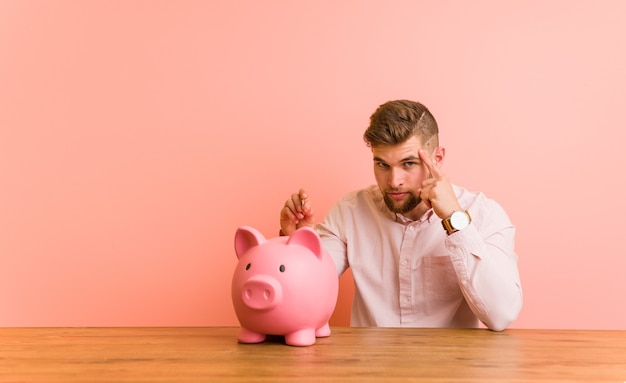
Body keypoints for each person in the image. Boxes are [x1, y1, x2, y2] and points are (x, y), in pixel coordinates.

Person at [279, 100, 522, 331]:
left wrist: (455, 220)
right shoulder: (350, 212)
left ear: (437, 159)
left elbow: (501, 315)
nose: (394, 182)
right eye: (382, 165)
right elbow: (303, 292)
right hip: (369, 370)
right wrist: (298, 244)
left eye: (408, 164)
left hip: (450, 370)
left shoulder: (483, 214)